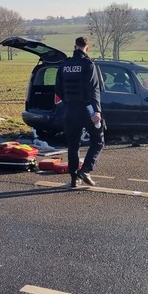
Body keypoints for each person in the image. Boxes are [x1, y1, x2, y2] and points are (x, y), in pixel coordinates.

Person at [55, 36, 104, 188]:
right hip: (87, 109)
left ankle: (74, 179)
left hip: (69, 109)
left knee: (73, 145)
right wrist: (97, 111)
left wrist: (69, 101)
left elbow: (58, 89)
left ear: (74, 46)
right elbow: (95, 89)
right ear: (87, 48)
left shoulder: (64, 66)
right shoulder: (88, 64)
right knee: (98, 141)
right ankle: (86, 170)